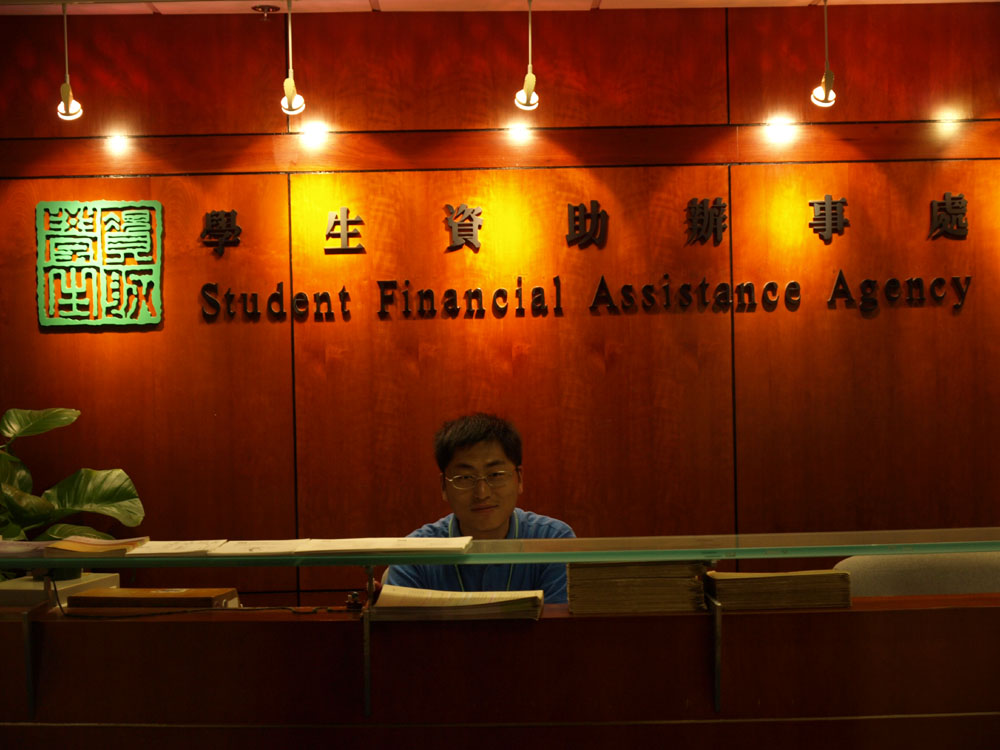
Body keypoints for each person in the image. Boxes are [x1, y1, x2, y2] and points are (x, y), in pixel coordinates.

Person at [385, 413, 575, 603]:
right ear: (443, 486)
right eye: (465, 478)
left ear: (519, 479)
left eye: (496, 474)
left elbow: (561, 621)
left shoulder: (554, 540)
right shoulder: (415, 553)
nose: (482, 493)